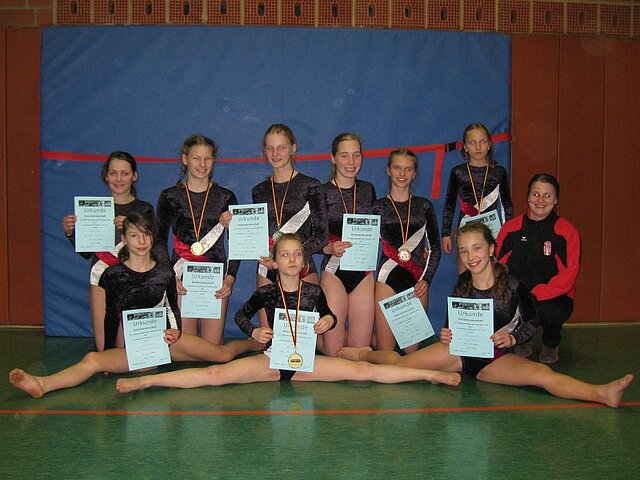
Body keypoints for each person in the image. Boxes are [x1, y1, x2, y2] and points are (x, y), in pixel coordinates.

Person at [114, 234, 461, 393]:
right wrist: (253, 332)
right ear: (274, 262)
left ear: (304, 260)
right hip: (270, 360)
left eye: (297, 254)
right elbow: (241, 316)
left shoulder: (314, 291)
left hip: (305, 362)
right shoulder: (266, 291)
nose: (293, 260)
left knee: (362, 370)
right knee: (215, 375)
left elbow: (329, 315)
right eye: (285, 255)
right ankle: (148, 380)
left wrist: (328, 321)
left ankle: (426, 375)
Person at [337, 223, 634, 408]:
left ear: (491, 249)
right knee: (399, 365)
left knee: (542, 375)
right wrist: (446, 334)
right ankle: (364, 354)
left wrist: (513, 338)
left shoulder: (515, 286)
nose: (471, 257)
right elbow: (451, 325)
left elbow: (531, 321)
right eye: (464, 251)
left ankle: (601, 393)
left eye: (477, 248)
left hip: (493, 359)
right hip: (457, 354)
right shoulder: (462, 285)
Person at [9, 213, 261, 398]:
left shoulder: (165, 273)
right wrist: (108, 351)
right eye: (134, 235)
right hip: (140, 347)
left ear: (153, 237)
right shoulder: (113, 275)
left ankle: (253, 343)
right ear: (124, 239)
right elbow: (111, 315)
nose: (141, 240)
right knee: (93, 359)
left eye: (146, 234)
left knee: (222, 355)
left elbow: (172, 308)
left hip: (166, 340)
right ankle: (43, 384)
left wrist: (174, 332)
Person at [61, 151, 155, 351]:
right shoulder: (95, 210)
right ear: (106, 176)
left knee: (130, 348)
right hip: (101, 277)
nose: (118, 179)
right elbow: (87, 253)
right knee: (105, 346)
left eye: (125, 173)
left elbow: (153, 247)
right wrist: (71, 233)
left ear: (134, 176)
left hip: (134, 278)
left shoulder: (144, 209)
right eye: (113, 173)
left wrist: (131, 227)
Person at [156, 134, 238, 344]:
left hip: (216, 279)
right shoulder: (169, 196)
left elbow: (238, 245)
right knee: (185, 345)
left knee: (212, 346)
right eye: (196, 158)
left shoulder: (225, 197)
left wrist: (230, 278)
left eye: (207, 158)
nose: (202, 164)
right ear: (185, 159)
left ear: (213, 160)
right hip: (181, 277)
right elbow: (158, 241)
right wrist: (169, 277)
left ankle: (240, 347)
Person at [496, 173, 580, 364]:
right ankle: (522, 339)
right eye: (536, 194)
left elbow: (569, 274)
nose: (540, 200)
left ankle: (550, 343)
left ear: (556, 199)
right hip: (519, 294)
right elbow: (498, 266)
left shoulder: (566, 232)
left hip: (553, 298)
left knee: (550, 312)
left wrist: (536, 295)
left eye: (547, 195)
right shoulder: (511, 229)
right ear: (528, 197)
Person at [251, 124, 327, 328]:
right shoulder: (259, 191)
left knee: (303, 335)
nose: (275, 153)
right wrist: (234, 226)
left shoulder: (311, 186)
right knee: (268, 336)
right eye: (270, 148)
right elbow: (255, 234)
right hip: (268, 267)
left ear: (293, 148)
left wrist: (292, 256)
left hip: (300, 266)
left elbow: (321, 236)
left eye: (281, 147)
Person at [372, 149, 441, 353]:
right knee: (386, 351)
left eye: (408, 169)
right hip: (386, 280)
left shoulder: (424, 206)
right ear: (388, 170)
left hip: (417, 281)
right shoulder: (377, 207)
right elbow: (364, 244)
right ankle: (366, 346)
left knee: (411, 353)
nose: (402, 174)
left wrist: (426, 279)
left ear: (414, 173)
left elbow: (435, 247)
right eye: (397, 168)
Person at [318, 133, 377, 355]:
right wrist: (328, 248)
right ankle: (311, 341)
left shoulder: (367, 189)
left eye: (356, 155)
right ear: (333, 158)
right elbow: (311, 238)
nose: (351, 162)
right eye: (344, 155)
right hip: (334, 270)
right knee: (334, 352)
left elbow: (377, 227)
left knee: (358, 351)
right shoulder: (321, 192)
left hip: (362, 272)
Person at [442, 123, 513, 272]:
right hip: (465, 229)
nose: (478, 147)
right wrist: (446, 233)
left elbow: (506, 204)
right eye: (472, 142)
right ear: (465, 147)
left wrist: (507, 233)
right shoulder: (458, 172)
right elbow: (449, 204)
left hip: (492, 231)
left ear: (489, 145)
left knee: (491, 274)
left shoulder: (498, 172)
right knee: (465, 276)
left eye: (482, 141)